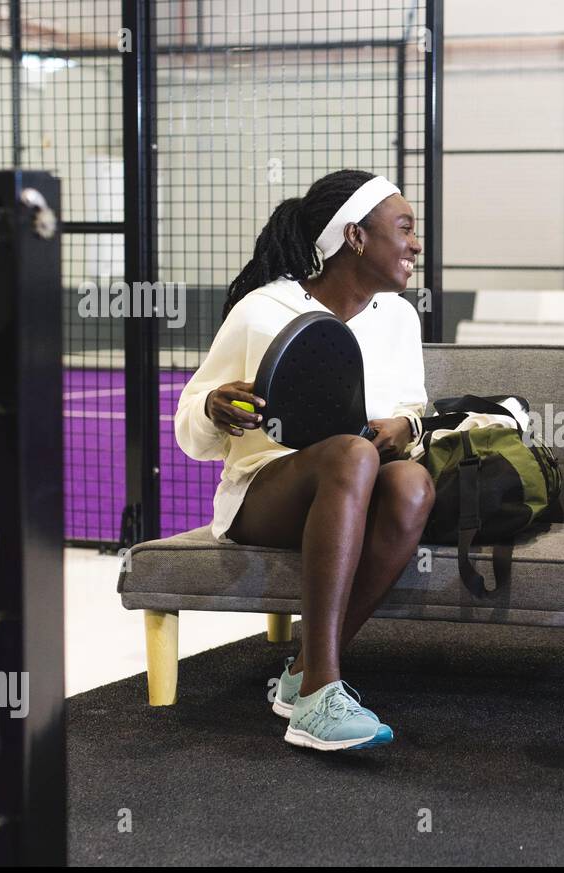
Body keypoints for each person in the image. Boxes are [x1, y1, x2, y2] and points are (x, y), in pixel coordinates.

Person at [174, 169, 434, 752]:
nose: (416, 243)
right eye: (405, 228)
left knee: (413, 484)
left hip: (356, 488)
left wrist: (406, 429)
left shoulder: (399, 318)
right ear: (356, 237)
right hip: (262, 496)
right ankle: (319, 692)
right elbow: (190, 427)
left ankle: (300, 672)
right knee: (350, 454)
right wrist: (215, 408)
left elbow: (414, 415)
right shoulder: (263, 310)